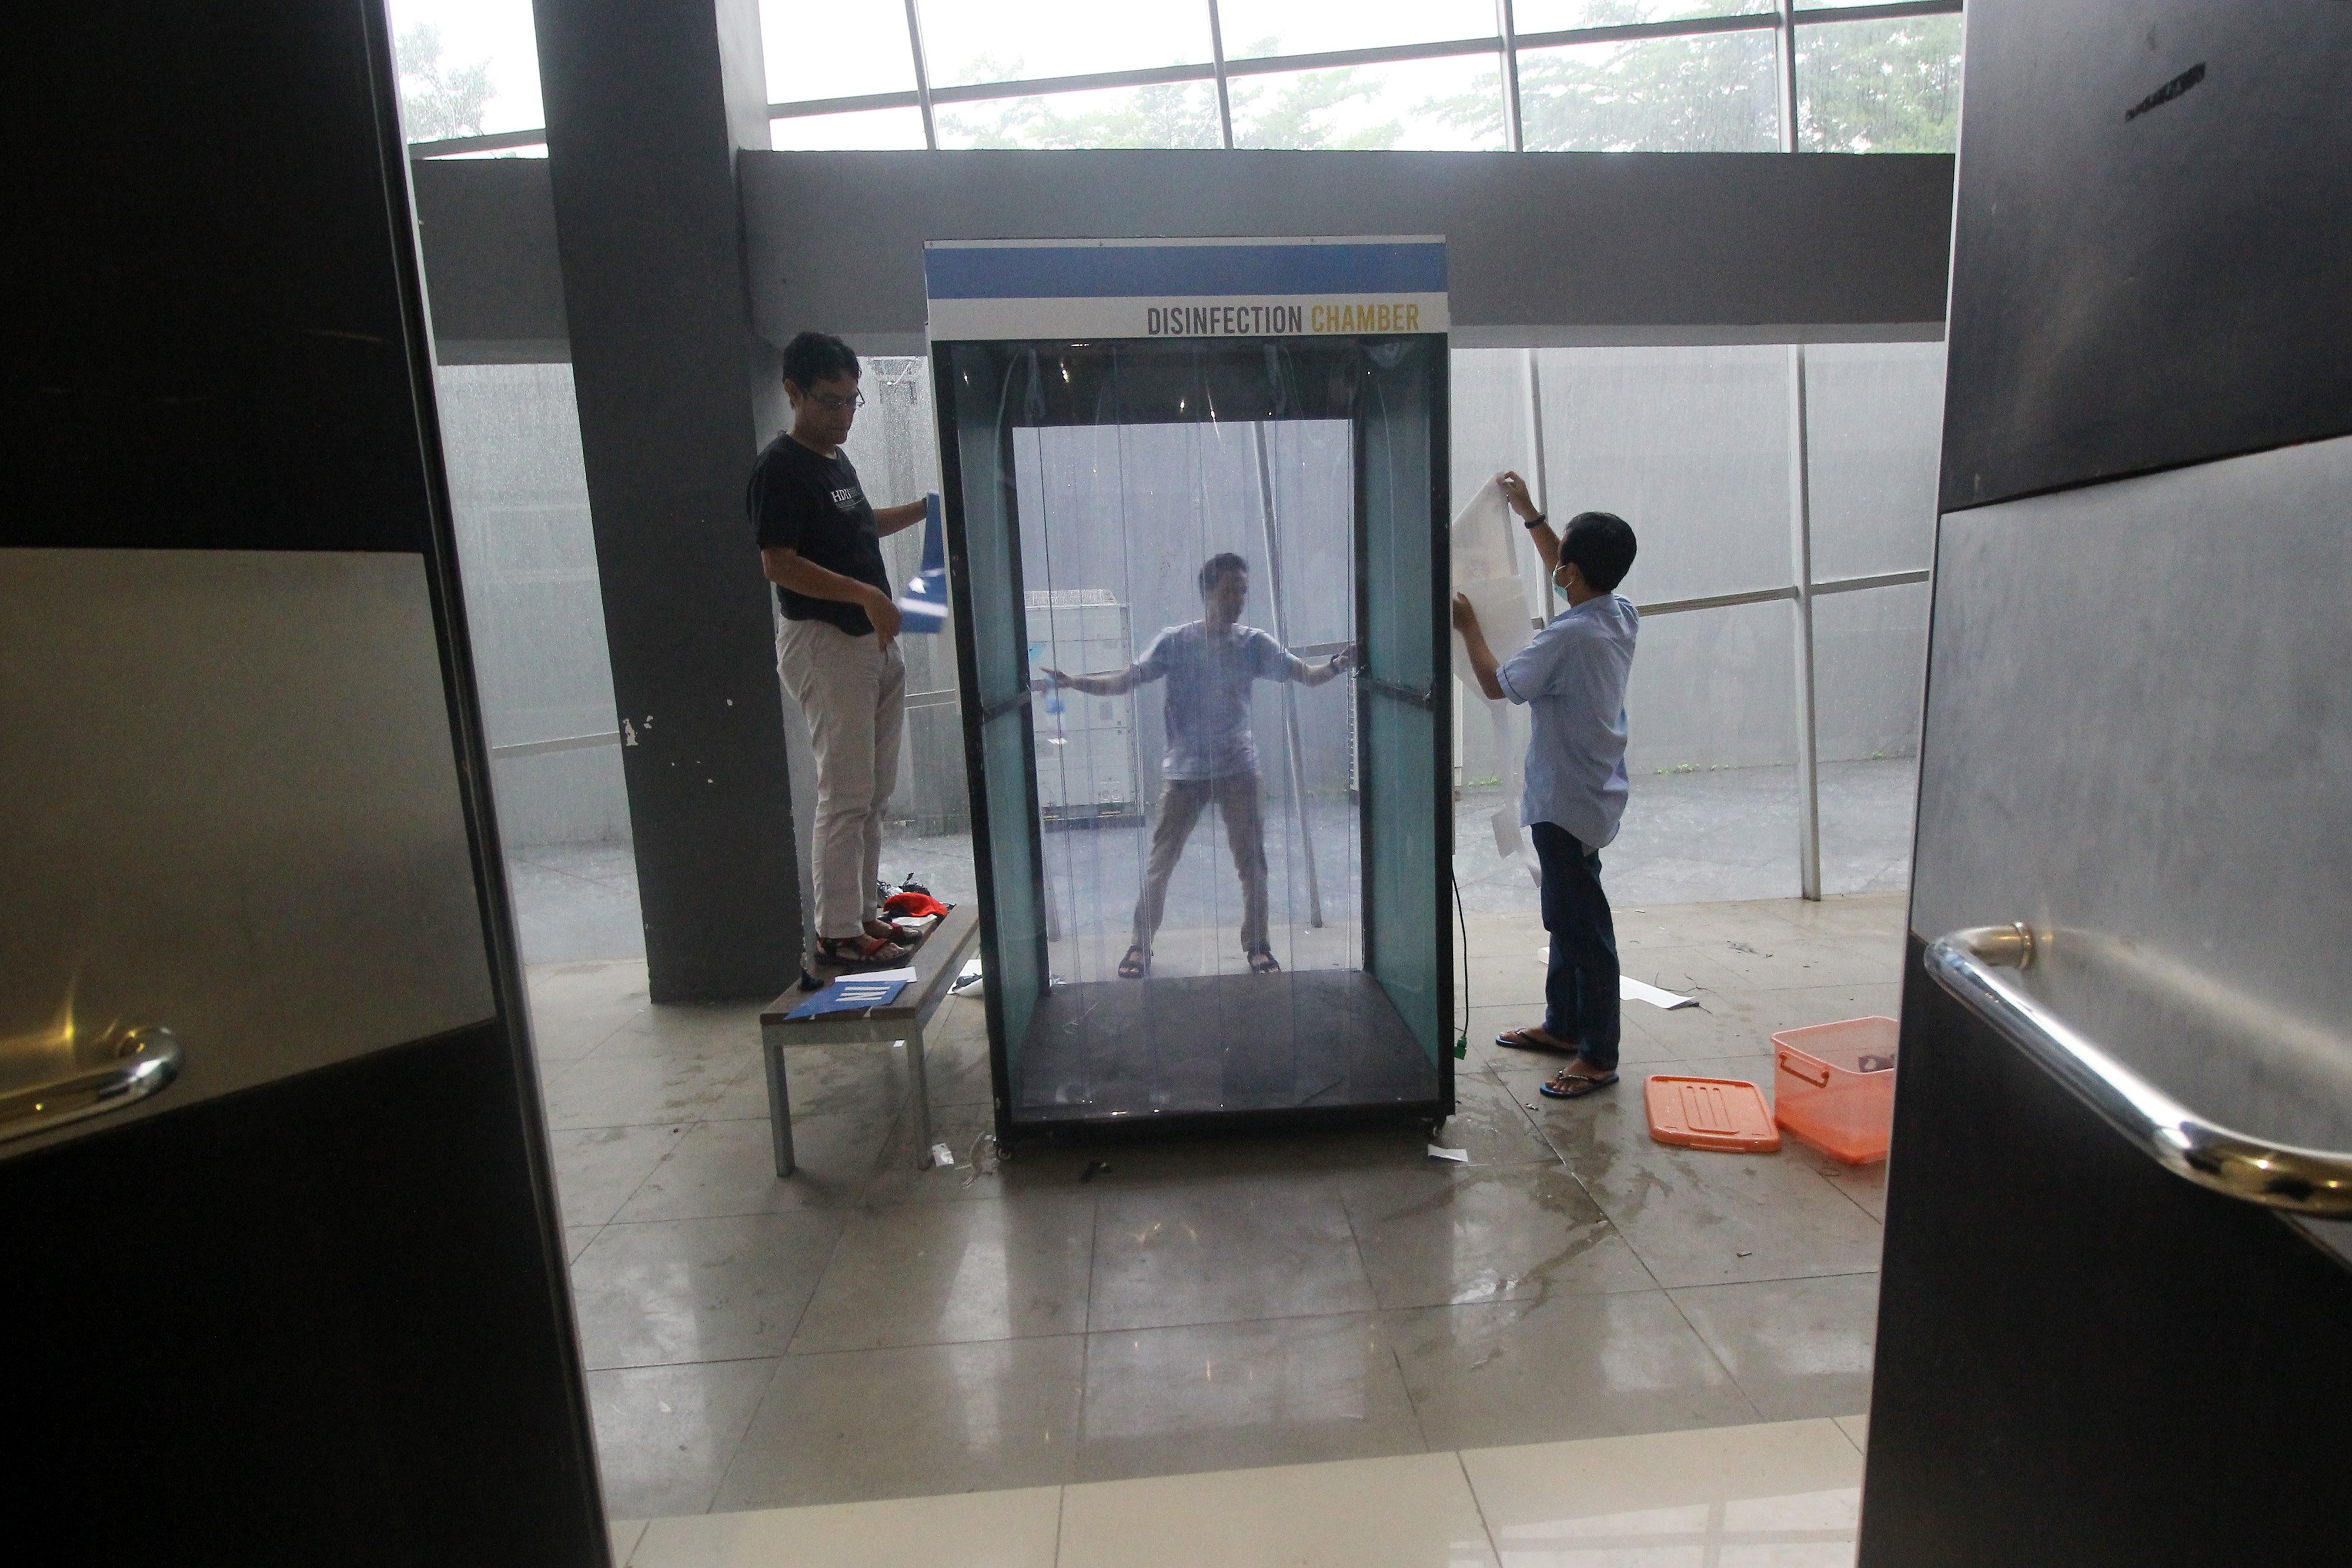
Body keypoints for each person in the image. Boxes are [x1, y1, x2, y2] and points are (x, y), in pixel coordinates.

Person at [1043, 552, 1352, 979]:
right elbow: (1126, 680)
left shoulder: (1254, 643)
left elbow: (1306, 674)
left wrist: (1338, 665)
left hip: (1238, 769)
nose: (1239, 598)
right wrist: (1077, 683)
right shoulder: (1176, 642)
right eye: (1230, 590)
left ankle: (1258, 945)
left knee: (1254, 864)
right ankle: (1140, 944)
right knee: (1162, 861)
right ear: (1208, 592)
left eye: (1243, 590)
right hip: (1185, 773)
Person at [1452, 473, 1639, 1099]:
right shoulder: (1616, 614)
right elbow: (1572, 569)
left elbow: (1496, 684)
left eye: (1562, 565)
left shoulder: (1569, 637)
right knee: (1567, 914)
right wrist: (1531, 516)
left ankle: (1598, 1054)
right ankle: (1563, 1026)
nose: (1555, 568)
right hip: (1592, 790)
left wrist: (1468, 626)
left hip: (1565, 800)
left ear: (1571, 575)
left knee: (1583, 928)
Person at [750, 332, 929, 970]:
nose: (844, 415)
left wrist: (926, 509)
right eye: (831, 402)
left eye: (854, 401)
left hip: (870, 642)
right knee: (846, 792)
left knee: (875, 792)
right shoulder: (781, 468)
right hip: (826, 642)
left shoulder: (835, 461)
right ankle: (836, 932)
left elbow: (859, 524)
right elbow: (778, 563)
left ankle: (861, 914)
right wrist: (863, 595)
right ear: (793, 392)